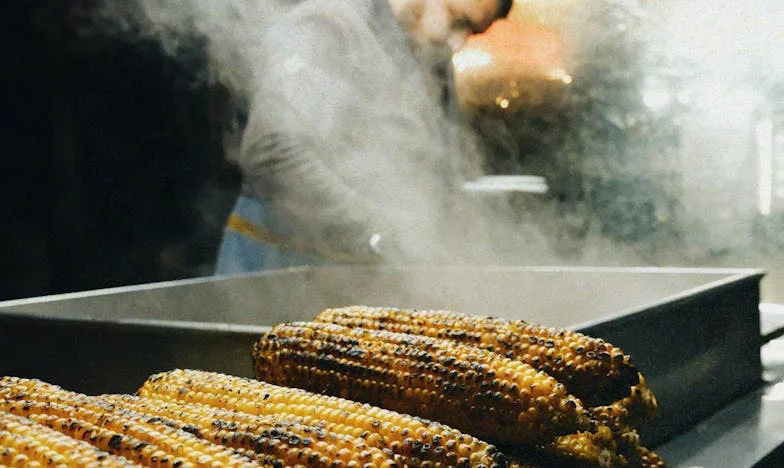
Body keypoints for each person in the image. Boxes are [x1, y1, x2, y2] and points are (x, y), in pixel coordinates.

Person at [214, 0, 514, 274]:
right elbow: (272, 152)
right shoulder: (328, 27)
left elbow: (441, 173)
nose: (457, 42)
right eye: (457, 21)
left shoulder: (432, 55)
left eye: (472, 32)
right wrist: (379, 234)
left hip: (356, 281)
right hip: (275, 268)